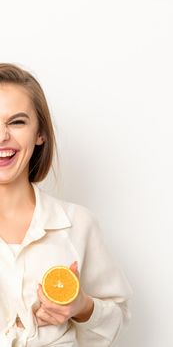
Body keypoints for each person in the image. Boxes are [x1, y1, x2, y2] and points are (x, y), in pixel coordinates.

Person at [0, 63, 132, 347]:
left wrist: (81, 307)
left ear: (40, 134)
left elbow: (116, 319)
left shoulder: (79, 224)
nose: (1, 136)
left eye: (17, 122)